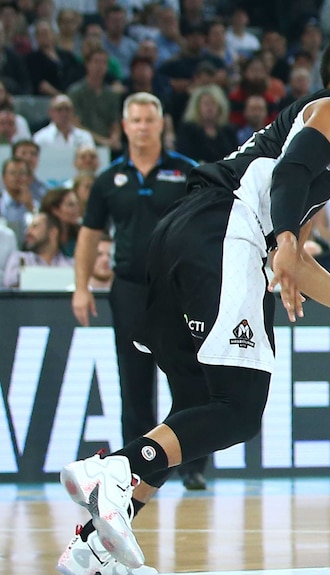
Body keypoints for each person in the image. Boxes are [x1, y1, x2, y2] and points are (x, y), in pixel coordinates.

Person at [57, 32, 330, 575]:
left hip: (180, 236)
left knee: (191, 416)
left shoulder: (313, 128)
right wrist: (281, 238)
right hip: (224, 236)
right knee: (239, 407)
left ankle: (92, 548)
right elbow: (289, 181)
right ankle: (112, 470)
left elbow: (296, 259)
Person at [70, 92, 208, 504]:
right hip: (128, 289)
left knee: (189, 379)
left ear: (162, 123)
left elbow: (205, 230)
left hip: (178, 290)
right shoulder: (108, 179)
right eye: (136, 120)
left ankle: (193, 467)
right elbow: (89, 234)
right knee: (133, 382)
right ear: (125, 126)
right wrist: (81, 286)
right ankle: (134, 469)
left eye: (151, 119)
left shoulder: (187, 172)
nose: (144, 127)